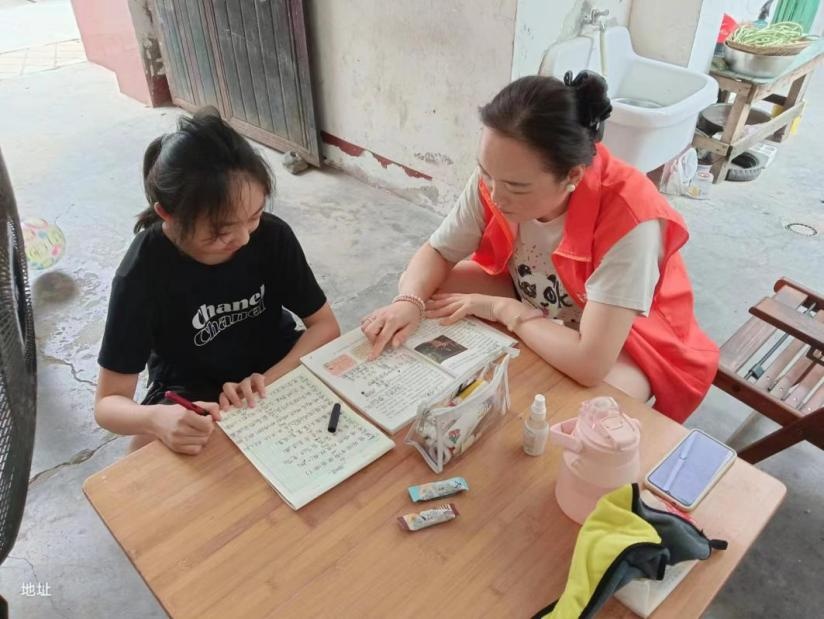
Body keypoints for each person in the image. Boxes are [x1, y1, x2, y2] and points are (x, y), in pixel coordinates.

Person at [361, 72, 718, 422]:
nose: (495, 196)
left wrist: (504, 310)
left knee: (588, 414)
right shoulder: (501, 174)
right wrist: (408, 301)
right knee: (425, 288)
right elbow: (438, 252)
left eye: (516, 187)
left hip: (630, 340)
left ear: (572, 175)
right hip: (540, 296)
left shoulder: (630, 218)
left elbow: (590, 363)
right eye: (486, 173)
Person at [94, 109, 340, 454]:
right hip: (192, 393)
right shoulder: (142, 272)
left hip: (274, 364)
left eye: (253, 216)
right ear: (167, 214)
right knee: (142, 459)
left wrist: (267, 383)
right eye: (221, 231)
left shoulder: (272, 236)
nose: (243, 238)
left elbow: (325, 326)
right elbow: (108, 404)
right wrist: (155, 419)